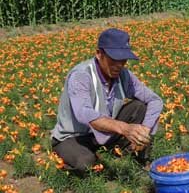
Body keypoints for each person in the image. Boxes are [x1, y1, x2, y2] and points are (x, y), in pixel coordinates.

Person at [51, 28, 163, 174]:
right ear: (99, 54)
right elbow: (83, 113)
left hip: (103, 132)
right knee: (85, 163)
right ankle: (75, 156)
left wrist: (144, 131)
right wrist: (125, 129)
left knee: (139, 107)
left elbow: (155, 100)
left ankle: (138, 159)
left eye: (123, 60)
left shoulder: (124, 75)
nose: (119, 65)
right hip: (74, 136)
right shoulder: (81, 75)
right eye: (113, 59)